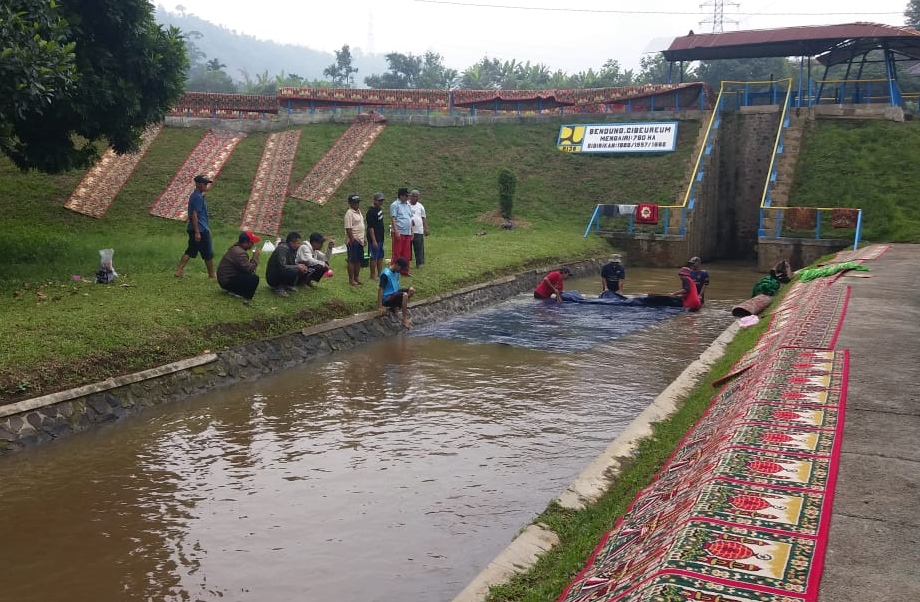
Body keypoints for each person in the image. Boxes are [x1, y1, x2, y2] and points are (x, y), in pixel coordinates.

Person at [175, 174, 216, 278]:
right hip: (200, 229)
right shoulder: (197, 197)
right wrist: (198, 231)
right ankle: (212, 274)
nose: (206, 186)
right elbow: (194, 214)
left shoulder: (195, 196)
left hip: (198, 228)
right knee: (208, 252)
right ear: (198, 184)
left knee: (191, 250)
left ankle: (179, 270)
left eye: (206, 184)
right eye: (204, 183)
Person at [216, 231, 262, 303]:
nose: (253, 245)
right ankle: (243, 294)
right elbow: (250, 269)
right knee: (254, 278)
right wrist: (255, 257)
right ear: (245, 242)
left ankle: (235, 290)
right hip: (227, 281)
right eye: (251, 242)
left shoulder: (236, 248)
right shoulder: (240, 253)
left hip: (225, 279)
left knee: (250, 276)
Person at [266, 231, 310, 296]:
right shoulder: (282, 249)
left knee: (300, 267)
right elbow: (282, 266)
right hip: (273, 276)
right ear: (291, 243)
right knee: (294, 269)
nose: (299, 245)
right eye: (298, 243)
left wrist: (301, 265)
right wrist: (297, 266)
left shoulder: (293, 250)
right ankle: (278, 287)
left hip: (281, 271)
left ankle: (286, 285)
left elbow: (292, 263)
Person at [378, 257, 416, 328]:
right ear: (397, 265)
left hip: (394, 293)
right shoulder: (385, 274)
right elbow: (381, 290)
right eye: (401, 269)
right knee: (404, 295)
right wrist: (380, 306)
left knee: (411, 290)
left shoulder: (396, 273)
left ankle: (397, 307)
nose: (401, 271)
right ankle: (404, 319)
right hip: (387, 298)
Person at [344, 193, 367, 286]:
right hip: (353, 240)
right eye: (354, 202)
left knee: (358, 260)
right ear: (350, 203)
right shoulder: (349, 213)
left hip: (360, 239)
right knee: (352, 260)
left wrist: (364, 238)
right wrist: (352, 240)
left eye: (358, 202)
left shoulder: (359, 211)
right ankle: (351, 279)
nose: (356, 204)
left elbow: (361, 226)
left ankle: (356, 277)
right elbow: (348, 228)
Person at [390, 187, 413, 275]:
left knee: (406, 253)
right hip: (399, 231)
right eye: (406, 196)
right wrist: (396, 231)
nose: (407, 198)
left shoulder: (408, 205)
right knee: (397, 252)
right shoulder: (395, 205)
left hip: (407, 232)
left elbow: (409, 218)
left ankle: (405, 270)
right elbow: (393, 219)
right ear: (401, 196)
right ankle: (394, 270)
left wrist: (412, 231)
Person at [366, 192, 386, 280]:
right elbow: (370, 227)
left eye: (382, 200)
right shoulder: (371, 212)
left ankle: (380, 273)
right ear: (374, 200)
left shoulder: (379, 209)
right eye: (379, 200)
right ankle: (372, 275)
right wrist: (374, 240)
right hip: (374, 238)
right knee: (374, 256)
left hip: (380, 237)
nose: (381, 202)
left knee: (380, 256)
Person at [408, 189, 428, 268]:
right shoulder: (406, 204)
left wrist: (425, 228)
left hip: (418, 230)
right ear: (411, 196)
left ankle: (419, 263)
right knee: (407, 247)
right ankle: (406, 262)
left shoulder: (420, 206)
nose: (416, 198)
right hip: (408, 230)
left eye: (417, 197)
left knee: (419, 247)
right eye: (414, 196)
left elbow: (424, 217)